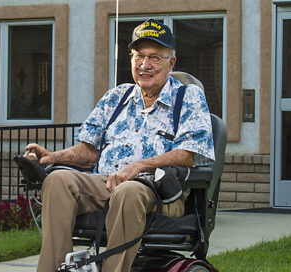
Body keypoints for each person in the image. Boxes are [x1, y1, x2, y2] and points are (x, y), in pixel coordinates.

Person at [27, 19, 215, 272]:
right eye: (139, 56)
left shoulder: (188, 96)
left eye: (155, 58)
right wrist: (52, 156)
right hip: (106, 183)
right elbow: (88, 152)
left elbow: (187, 155)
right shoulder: (116, 97)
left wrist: (138, 167)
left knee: (128, 191)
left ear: (171, 62)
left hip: (156, 190)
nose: (145, 65)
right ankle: (56, 268)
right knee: (59, 180)